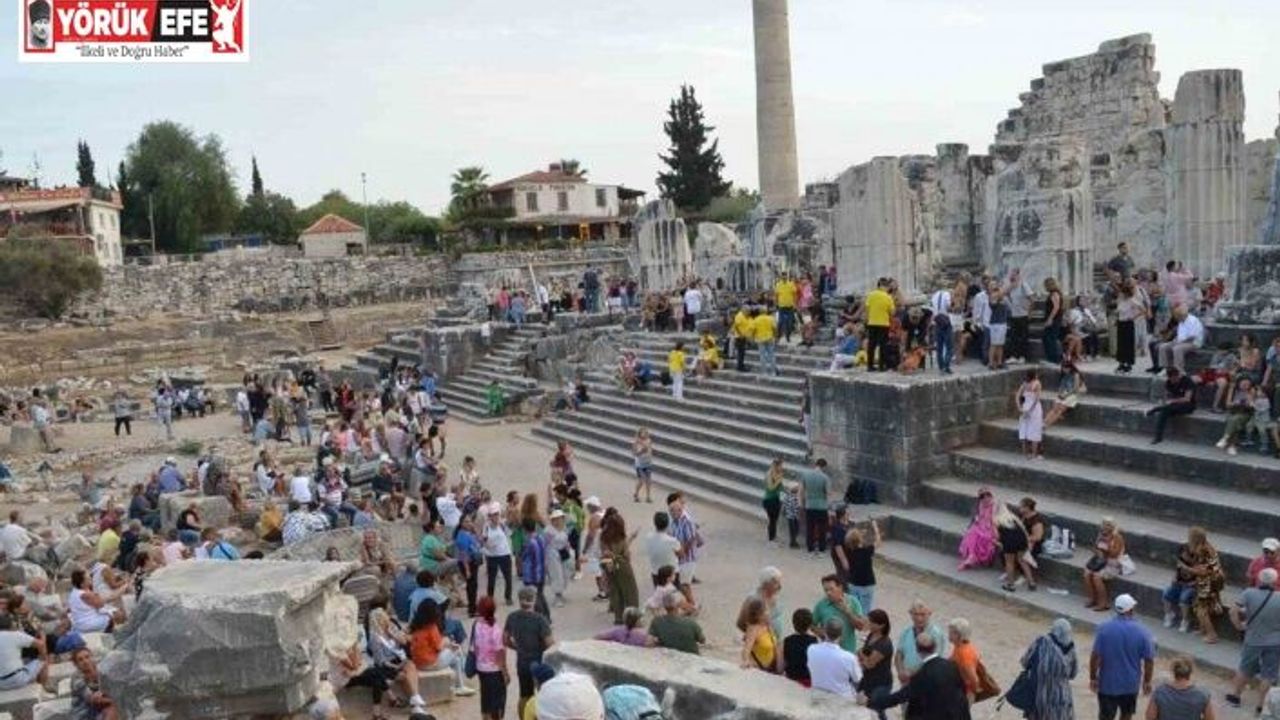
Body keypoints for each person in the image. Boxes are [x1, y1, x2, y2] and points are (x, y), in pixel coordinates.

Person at [868, 631, 970, 720]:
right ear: (934, 647)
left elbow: (900, 696)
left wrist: (870, 702)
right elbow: (963, 689)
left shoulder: (923, 674)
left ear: (917, 650)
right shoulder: (951, 665)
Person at [1091, 593, 1156, 720]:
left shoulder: (1104, 629)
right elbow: (1149, 660)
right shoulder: (1142, 631)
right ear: (1131, 610)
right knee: (1127, 715)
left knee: (1105, 716)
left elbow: (1095, 656)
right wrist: (1147, 681)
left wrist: (1093, 677)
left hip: (1107, 684)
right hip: (1130, 684)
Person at [1227, 567, 1280, 711]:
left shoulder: (1249, 593)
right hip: (1275, 641)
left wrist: (1239, 626)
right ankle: (1260, 705)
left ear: (1259, 579)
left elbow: (1233, 610)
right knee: (1268, 675)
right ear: (1275, 581)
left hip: (1253, 639)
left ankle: (1236, 697)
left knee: (1244, 669)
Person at [1162, 527, 1225, 643]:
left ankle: (1212, 634)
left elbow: (1203, 571)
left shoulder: (1204, 551)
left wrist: (1185, 567)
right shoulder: (1205, 547)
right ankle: (1203, 630)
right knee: (1199, 605)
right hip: (1208, 581)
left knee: (1201, 609)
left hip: (1208, 582)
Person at [505, 587, 554, 718]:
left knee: (524, 695)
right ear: (534, 599)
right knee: (543, 694)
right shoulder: (540, 620)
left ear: (519, 600)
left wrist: (516, 647)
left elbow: (505, 639)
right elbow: (550, 644)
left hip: (522, 661)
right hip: (538, 661)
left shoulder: (512, 617)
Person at [1018, 618, 1078, 720]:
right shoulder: (1071, 649)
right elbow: (1073, 674)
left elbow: (1025, 662)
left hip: (1040, 698)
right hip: (1063, 700)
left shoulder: (1041, 642)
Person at [894, 600, 950, 684]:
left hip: (925, 680)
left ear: (929, 614)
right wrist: (900, 671)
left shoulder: (936, 634)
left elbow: (933, 660)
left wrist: (910, 674)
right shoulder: (906, 632)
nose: (919, 618)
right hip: (906, 679)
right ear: (911, 614)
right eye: (916, 614)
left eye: (923, 614)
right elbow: (899, 654)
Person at [472, 596, 508, 720]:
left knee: (485, 699)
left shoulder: (477, 625)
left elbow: (475, 647)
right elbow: (500, 654)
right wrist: (505, 673)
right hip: (494, 669)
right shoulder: (496, 629)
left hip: (481, 667)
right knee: (497, 702)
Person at [600, 513, 639, 626]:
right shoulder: (620, 537)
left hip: (609, 566)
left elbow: (605, 553)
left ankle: (618, 617)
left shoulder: (604, 537)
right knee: (630, 592)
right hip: (622, 565)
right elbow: (626, 554)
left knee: (616, 591)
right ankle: (634, 619)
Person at [808, 617, 862, 698]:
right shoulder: (849, 657)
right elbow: (858, 680)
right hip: (842, 697)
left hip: (817, 693)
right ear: (841, 635)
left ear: (825, 632)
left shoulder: (811, 649)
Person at [1147, 656, 1213, 720]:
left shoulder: (1160, 691)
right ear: (1190, 671)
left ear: (1174, 671)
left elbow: (1150, 717)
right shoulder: (1202, 694)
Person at [813, 574, 866, 654]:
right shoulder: (821, 605)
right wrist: (822, 634)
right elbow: (812, 624)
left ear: (840, 587)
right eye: (826, 590)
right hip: (828, 652)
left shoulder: (853, 602)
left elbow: (861, 627)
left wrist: (848, 612)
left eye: (831, 589)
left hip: (847, 651)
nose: (828, 593)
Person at [1085, 519, 1129, 611]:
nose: (1105, 527)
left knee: (1097, 577)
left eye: (1108, 525)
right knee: (1087, 574)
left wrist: (1107, 546)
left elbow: (1115, 553)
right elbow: (1096, 548)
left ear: (1112, 526)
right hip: (1101, 561)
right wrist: (1097, 551)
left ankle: (1103, 603)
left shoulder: (1117, 538)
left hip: (1113, 564)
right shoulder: (1101, 535)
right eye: (1104, 524)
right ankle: (1092, 598)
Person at [1147, 366, 1197, 444]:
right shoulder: (1169, 383)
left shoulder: (1187, 381)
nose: (1173, 381)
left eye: (1174, 378)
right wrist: (1164, 401)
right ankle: (1158, 436)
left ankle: (1156, 409)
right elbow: (1166, 396)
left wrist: (1172, 401)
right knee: (1164, 412)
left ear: (1177, 376)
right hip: (1173, 405)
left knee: (1166, 408)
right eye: (1171, 379)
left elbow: (1187, 399)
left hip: (1187, 405)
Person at [1150, 306, 1205, 375]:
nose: (1176, 318)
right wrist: (1175, 341)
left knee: (1177, 349)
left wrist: (1179, 342)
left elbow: (1192, 337)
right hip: (1180, 341)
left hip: (1192, 343)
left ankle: (1179, 370)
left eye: (1177, 316)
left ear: (1181, 315)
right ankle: (1166, 368)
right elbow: (1180, 335)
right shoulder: (1181, 321)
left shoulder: (1193, 321)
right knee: (1163, 347)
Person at [647, 590, 705, 654]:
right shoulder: (691, 623)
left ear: (664, 606)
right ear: (678, 606)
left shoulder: (657, 622)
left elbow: (649, 642)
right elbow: (702, 640)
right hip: (691, 656)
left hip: (669, 657)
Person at [0, 614, 48, 692]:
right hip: (17, 679)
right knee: (43, 662)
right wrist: (43, 636)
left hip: (1, 684)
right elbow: (41, 645)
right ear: (10, 625)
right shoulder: (15, 635)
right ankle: (43, 689)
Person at [859, 608, 895, 710]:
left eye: (871, 622)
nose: (868, 623)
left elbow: (869, 664)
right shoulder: (871, 635)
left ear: (881, 625)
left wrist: (860, 653)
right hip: (868, 680)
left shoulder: (884, 644)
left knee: (875, 710)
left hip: (880, 684)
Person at [845, 520, 881, 612]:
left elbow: (853, 539)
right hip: (867, 584)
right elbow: (878, 542)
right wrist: (875, 528)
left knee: (853, 609)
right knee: (865, 610)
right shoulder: (866, 551)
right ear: (860, 539)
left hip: (853, 583)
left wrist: (859, 533)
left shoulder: (849, 551)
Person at [957, 488, 998, 570]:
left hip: (991, 526)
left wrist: (994, 529)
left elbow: (995, 520)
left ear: (991, 496)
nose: (985, 499)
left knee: (981, 535)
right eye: (982, 497)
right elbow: (978, 516)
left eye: (988, 496)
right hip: (980, 525)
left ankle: (972, 558)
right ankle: (971, 556)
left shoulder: (995, 504)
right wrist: (977, 519)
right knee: (971, 533)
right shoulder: (980, 504)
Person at [738, 596, 780, 673]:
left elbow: (775, 646)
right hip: (760, 668)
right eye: (765, 611)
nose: (768, 613)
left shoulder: (768, 626)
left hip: (773, 668)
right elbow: (746, 649)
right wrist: (746, 661)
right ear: (757, 614)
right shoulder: (753, 629)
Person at [482, 504, 514, 606]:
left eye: (497, 514)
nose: (495, 517)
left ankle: (508, 597)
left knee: (508, 578)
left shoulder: (502, 525)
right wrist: (488, 545)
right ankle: (490, 598)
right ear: (489, 516)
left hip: (505, 554)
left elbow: (510, 534)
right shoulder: (486, 527)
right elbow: (484, 541)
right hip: (492, 556)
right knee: (491, 579)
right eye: (493, 515)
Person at [996, 503, 1032, 592]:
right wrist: (1027, 542)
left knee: (1009, 563)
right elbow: (1023, 529)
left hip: (1009, 541)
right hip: (1021, 539)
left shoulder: (996, 519)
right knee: (1022, 560)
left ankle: (1010, 585)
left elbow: (996, 535)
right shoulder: (1013, 516)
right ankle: (1032, 583)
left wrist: (998, 543)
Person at [799, 458, 830, 555]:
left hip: (809, 505)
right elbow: (828, 493)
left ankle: (810, 549)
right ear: (824, 467)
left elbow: (801, 491)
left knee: (810, 528)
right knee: (822, 529)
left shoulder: (806, 475)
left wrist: (801, 503)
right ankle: (821, 549)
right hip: (821, 506)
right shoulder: (825, 477)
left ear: (815, 464)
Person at [948, 618, 982, 705]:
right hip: (957, 688)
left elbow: (974, 679)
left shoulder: (965, 653)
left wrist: (971, 693)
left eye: (953, 633)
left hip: (964, 692)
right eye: (950, 632)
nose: (949, 635)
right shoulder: (959, 646)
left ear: (961, 635)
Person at [864, 279, 895, 372]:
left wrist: (868, 319)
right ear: (884, 286)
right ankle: (881, 366)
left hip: (872, 323)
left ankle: (870, 366)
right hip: (883, 324)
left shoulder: (870, 295)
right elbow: (892, 312)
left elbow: (867, 309)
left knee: (871, 345)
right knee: (883, 345)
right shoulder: (888, 297)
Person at [643, 512, 680, 588]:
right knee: (674, 597)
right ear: (667, 524)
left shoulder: (648, 537)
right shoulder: (672, 540)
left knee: (660, 596)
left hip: (656, 573)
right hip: (671, 574)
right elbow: (681, 554)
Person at [783, 608, 818, 686]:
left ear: (793, 623)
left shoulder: (788, 640)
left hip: (791, 678)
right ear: (809, 625)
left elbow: (785, 661)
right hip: (807, 679)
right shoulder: (813, 641)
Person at [1017, 370, 1044, 459]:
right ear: (1035, 376)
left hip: (1025, 407)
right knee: (1034, 431)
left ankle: (1025, 453)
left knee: (1024, 430)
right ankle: (1034, 454)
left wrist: (1020, 408)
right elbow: (1036, 399)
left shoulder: (1024, 384)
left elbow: (1017, 396)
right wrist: (1030, 410)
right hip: (1034, 410)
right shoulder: (1037, 383)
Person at [762, 458, 785, 546]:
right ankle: (771, 539)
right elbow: (770, 487)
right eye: (781, 466)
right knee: (772, 520)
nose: (782, 467)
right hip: (769, 500)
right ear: (776, 465)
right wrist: (778, 480)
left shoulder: (778, 474)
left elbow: (781, 487)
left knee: (775, 519)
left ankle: (774, 536)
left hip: (776, 499)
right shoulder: (769, 474)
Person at [753, 306, 779, 377]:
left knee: (762, 356)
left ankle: (764, 372)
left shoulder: (756, 319)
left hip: (760, 338)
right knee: (772, 355)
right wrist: (776, 336)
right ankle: (773, 372)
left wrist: (753, 337)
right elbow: (775, 329)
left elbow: (754, 330)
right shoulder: (771, 318)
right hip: (770, 338)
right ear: (766, 311)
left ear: (759, 312)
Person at [631, 429, 654, 503]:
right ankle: (636, 494)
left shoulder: (649, 440)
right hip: (639, 464)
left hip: (648, 463)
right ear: (639, 434)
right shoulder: (635, 442)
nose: (644, 434)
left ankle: (648, 497)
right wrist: (640, 451)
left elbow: (648, 449)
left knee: (648, 481)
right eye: (642, 433)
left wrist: (643, 445)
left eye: (645, 433)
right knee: (641, 480)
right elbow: (634, 453)